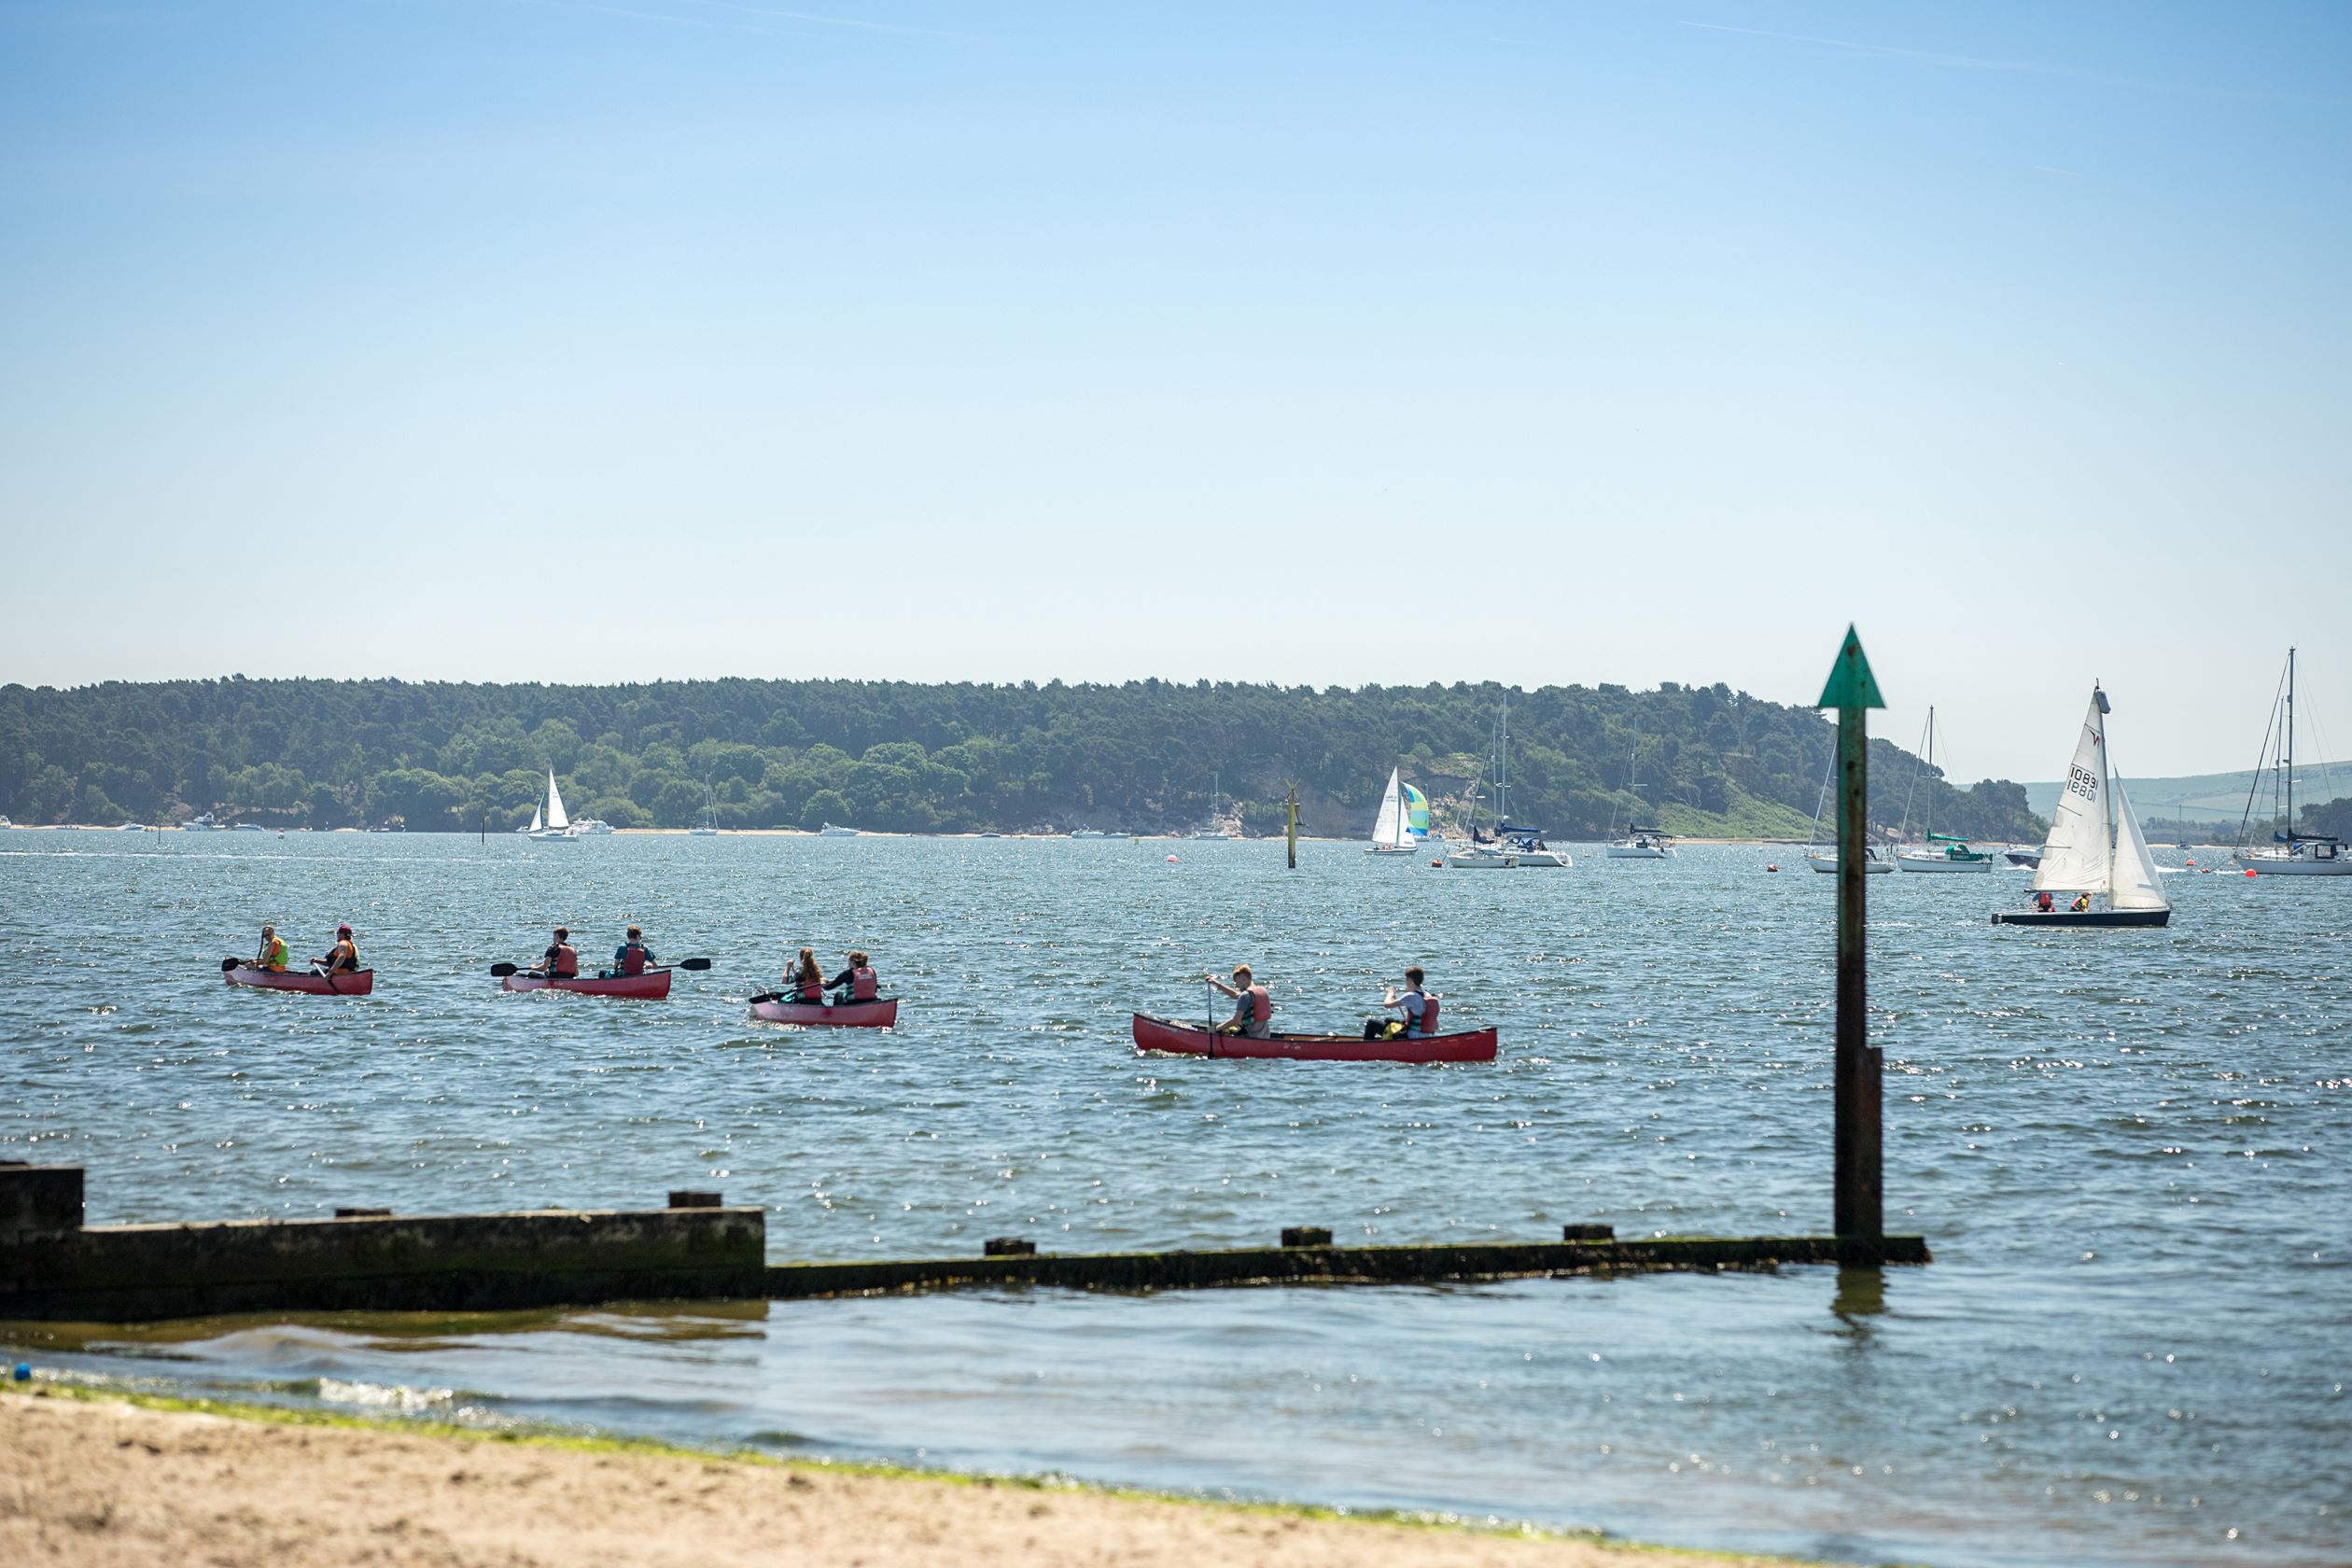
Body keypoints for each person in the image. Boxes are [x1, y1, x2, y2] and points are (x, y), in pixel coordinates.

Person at [1365, 967, 1434, 1040]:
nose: (1406, 983)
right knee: (1389, 1021)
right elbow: (1435, 1026)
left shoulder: (1411, 996)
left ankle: (1366, 1048)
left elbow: (1387, 1004)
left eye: (1406, 980)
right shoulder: (1427, 996)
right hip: (1427, 1036)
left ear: (1410, 980)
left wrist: (1390, 993)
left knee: (1371, 1023)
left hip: (1411, 1036)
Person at [1206, 964, 1273, 1038]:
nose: (1236, 986)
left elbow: (1236, 1020)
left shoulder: (1245, 995)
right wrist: (1216, 983)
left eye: (1236, 982)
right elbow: (1235, 995)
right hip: (1265, 1036)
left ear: (1243, 977)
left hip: (1251, 1036)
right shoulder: (1261, 990)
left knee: (1224, 1029)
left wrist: (1215, 1029)